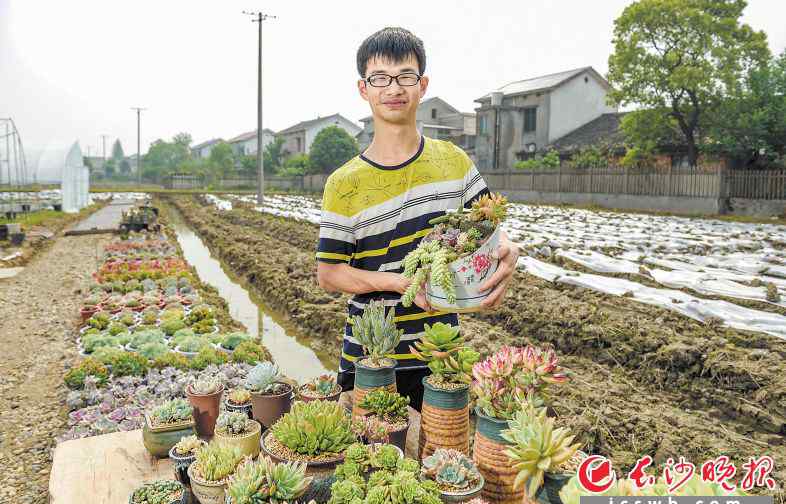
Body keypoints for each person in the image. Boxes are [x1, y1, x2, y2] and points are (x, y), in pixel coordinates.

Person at [316, 27, 519, 411]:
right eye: (380, 78)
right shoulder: (342, 183)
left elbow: (491, 229)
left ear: (422, 85)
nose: (394, 88)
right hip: (370, 356)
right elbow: (329, 273)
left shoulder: (454, 162)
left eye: (405, 76)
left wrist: (508, 251)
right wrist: (400, 281)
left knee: (440, 458)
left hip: (441, 357)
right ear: (364, 88)